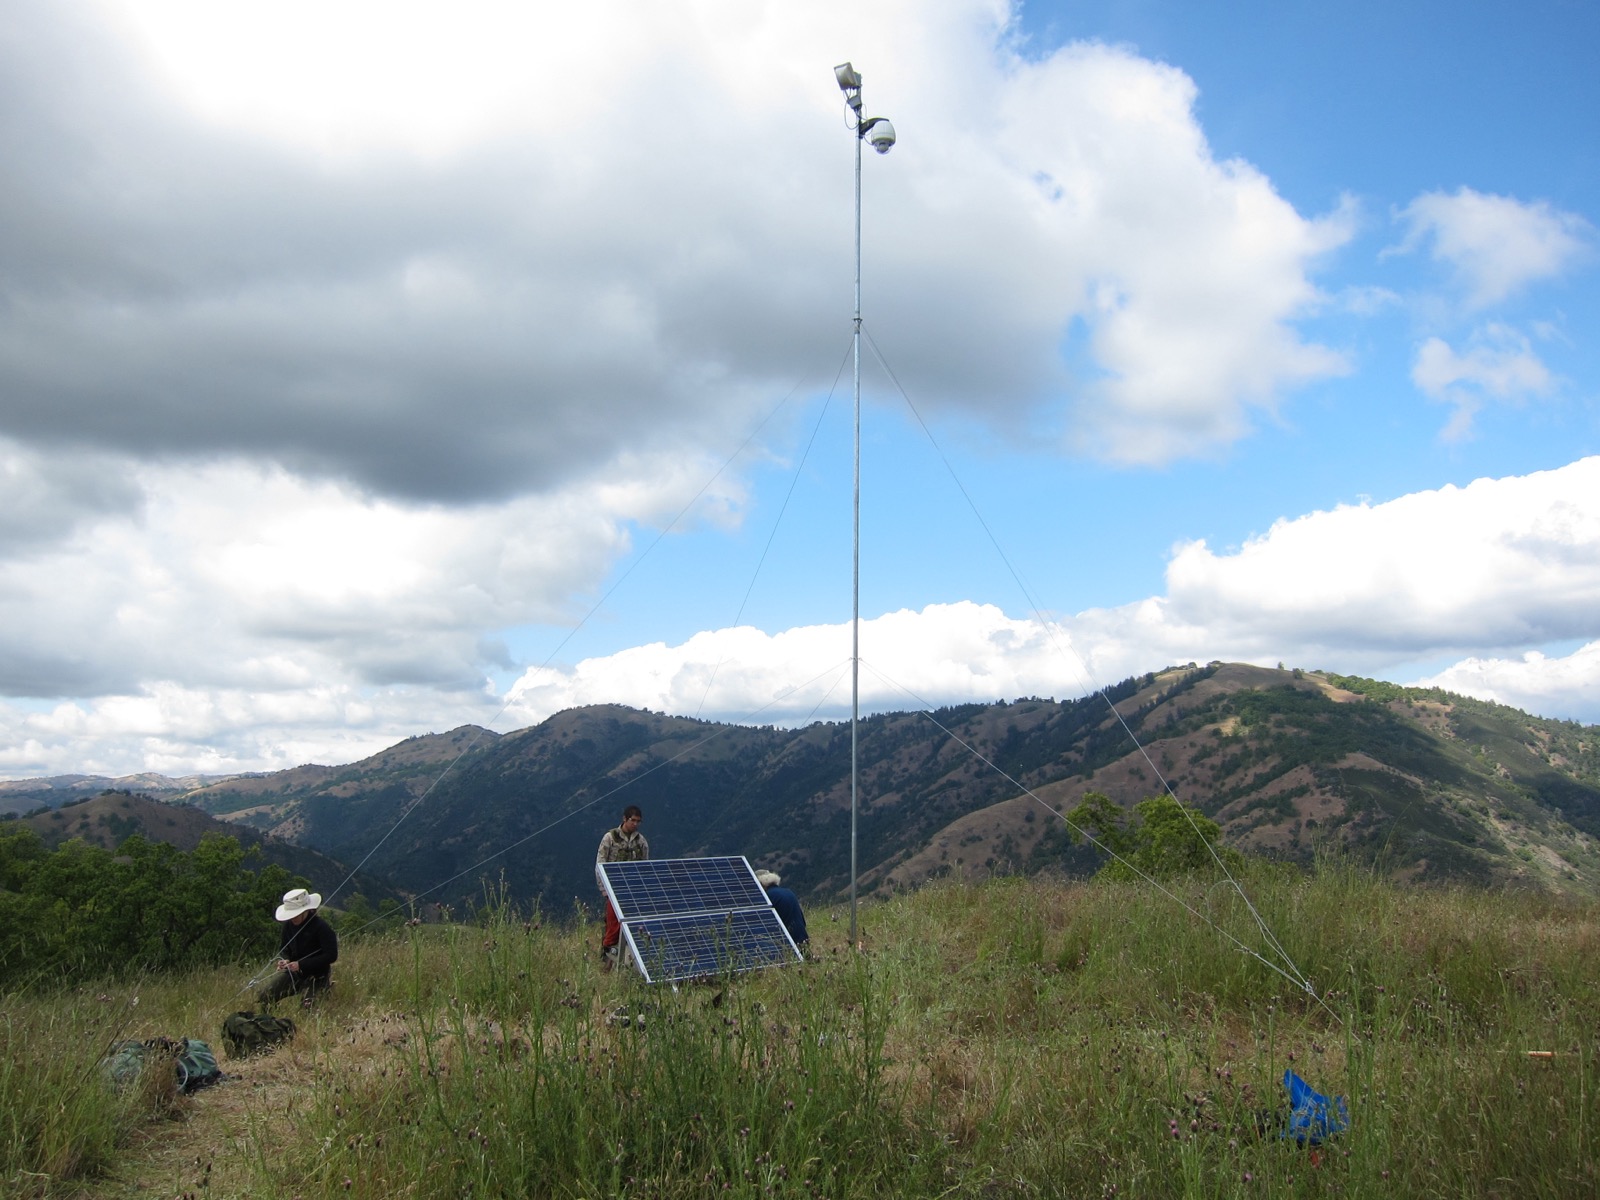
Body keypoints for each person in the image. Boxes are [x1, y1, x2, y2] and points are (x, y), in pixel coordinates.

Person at [256, 887, 339, 1009]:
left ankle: (323, 990)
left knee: (307, 1008)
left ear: (306, 911)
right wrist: (285, 960)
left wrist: (301, 964)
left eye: (296, 915)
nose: (293, 918)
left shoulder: (321, 927)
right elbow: (285, 948)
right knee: (265, 996)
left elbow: (331, 955)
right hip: (295, 974)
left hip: (317, 976)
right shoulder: (288, 926)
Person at [595, 805, 648, 969]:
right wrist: (604, 890)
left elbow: (646, 867)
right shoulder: (610, 838)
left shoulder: (641, 842)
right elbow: (600, 864)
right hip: (613, 890)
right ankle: (606, 960)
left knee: (631, 928)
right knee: (613, 928)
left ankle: (626, 963)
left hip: (632, 892)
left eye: (639, 821)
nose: (636, 824)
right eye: (633, 820)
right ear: (624, 819)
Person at [755, 869, 808, 948]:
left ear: (760, 883)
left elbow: (761, 924)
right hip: (802, 938)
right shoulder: (788, 891)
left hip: (788, 944)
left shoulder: (768, 897)